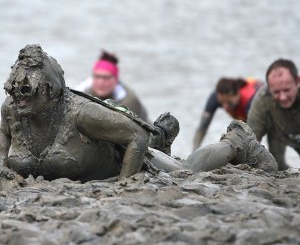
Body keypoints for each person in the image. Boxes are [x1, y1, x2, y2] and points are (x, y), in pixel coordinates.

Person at [0, 45, 277, 187]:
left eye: (28, 91)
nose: (19, 98)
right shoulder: (11, 111)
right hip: (114, 127)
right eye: (14, 90)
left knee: (186, 171)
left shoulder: (81, 113)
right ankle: (163, 135)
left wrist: (126, 183)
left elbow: (136, 136)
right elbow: (3, 145)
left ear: (49, 91)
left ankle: (236, 140)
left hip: (126, 148)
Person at [247, 59, 300, 170]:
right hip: (279, 134)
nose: (283, 97)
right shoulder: (262, 101)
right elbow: (250, 140)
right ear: (269, 88)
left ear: (297, 81)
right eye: (276, 92)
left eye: (287, 90)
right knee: (275, 169)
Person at [77, 50, 149, 122]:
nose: (101, 82)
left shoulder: (129, 101)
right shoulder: (79, 95)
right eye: (97, 76)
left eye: (106, 78)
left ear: (116, 80)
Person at [193, 77, 262, 150]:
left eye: (229, 103)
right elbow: (202, 128)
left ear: (237, 94)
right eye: (222, 103)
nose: (225, 107)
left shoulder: (250, 101)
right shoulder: (216, 97)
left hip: (265, 107)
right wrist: (194, 153)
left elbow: (255, 135)